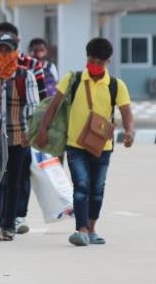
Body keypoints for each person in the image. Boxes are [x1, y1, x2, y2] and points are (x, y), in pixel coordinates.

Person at [35, 38, 135, 247]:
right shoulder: (73, 79)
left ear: (108, 61)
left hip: (102, 147)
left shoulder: (116, 85)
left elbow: (126, 112)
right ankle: (80, 230)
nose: (95, 65)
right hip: (76, 145)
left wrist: (129, 132)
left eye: (100, 62)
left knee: (97, 189)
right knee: (81, 185)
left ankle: (92, 228)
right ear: (86, 58)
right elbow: (53, 106)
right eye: (92, 60)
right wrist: (43, 130)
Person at [0, 22, 48, 234]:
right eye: (1, 50)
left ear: (15, 51)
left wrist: (31, 133)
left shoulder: (25, 76)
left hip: (18, 137)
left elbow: (34, 107)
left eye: (8, 50)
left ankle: (9, 223)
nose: (4, 54)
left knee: (14, 182)